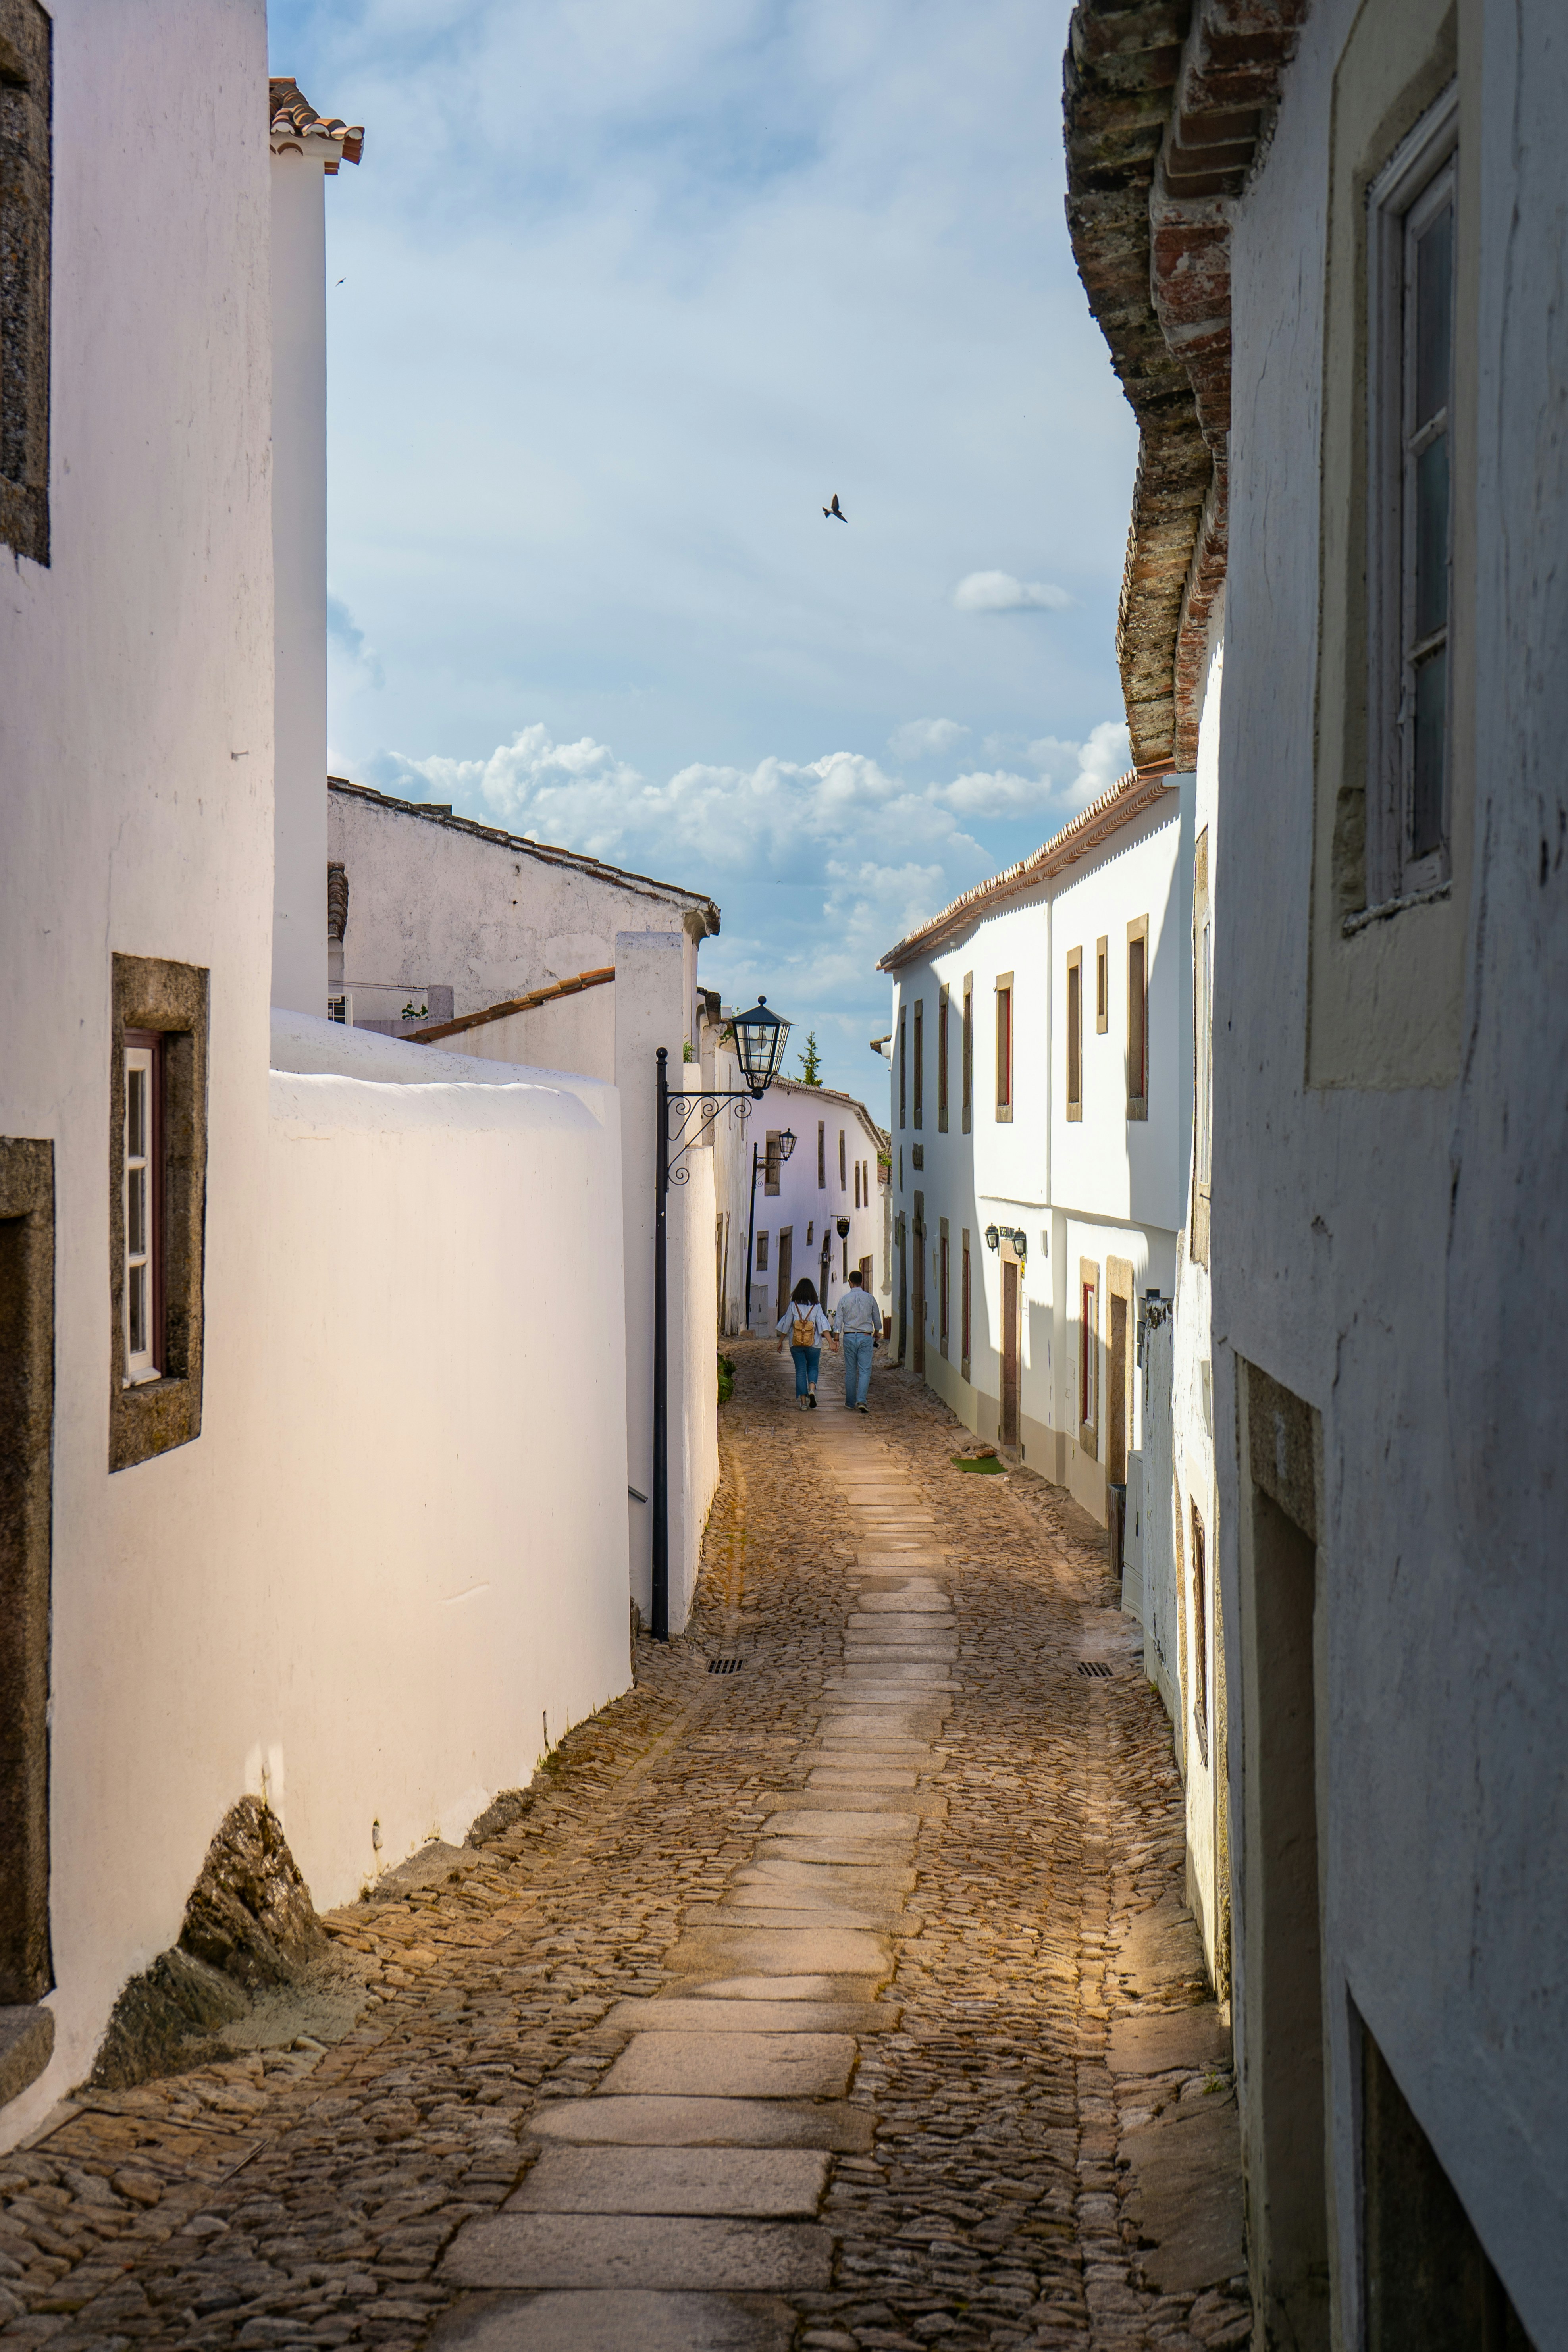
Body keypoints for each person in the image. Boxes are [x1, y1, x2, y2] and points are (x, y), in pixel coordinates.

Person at [776, 1277, 832, 1409]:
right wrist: (831, 1342)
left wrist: (780, 1341)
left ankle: (803, 1403)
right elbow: (823, 1327)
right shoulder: (817, 1306)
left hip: (796, 1344)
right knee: (813, 1368)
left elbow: (787, 1325)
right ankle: (812, 1389)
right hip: (814, 1344)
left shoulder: (793, 1305)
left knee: (800, 1371)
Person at [832, 1267, 883, 1412]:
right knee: (865, 1370)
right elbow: (877, 1320)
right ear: (861, 1282)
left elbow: (838, 1321)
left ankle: (850, 1402)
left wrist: (836, 1339)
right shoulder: (870, 1299)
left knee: (850, 1371)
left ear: (850, 1283)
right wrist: (877, 1332)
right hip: (865, 1336)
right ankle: (862, 1401)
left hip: (848, 1337)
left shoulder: (844, 1300)